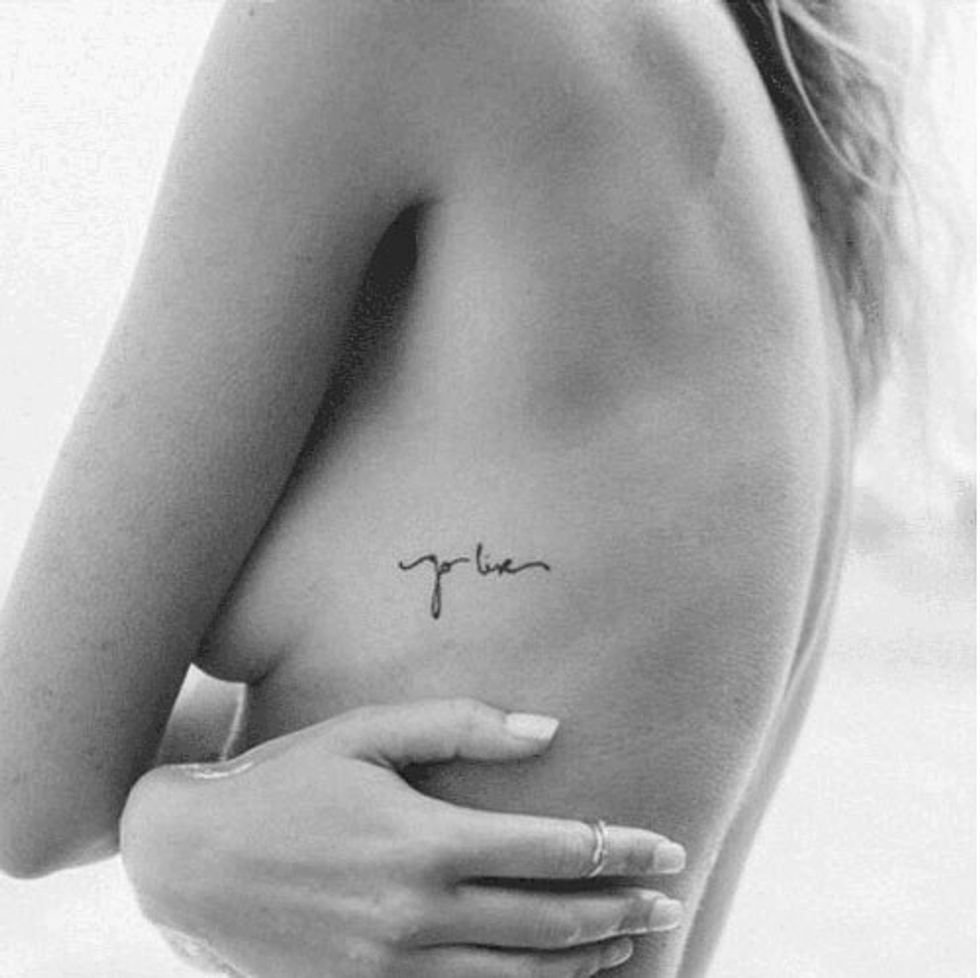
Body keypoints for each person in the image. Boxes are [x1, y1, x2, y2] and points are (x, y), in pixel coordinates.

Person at [0, 0, 914, 975]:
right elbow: (494, 664)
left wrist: (172, 822)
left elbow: (28, 792)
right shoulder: (751, 97)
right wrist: (187, 807)